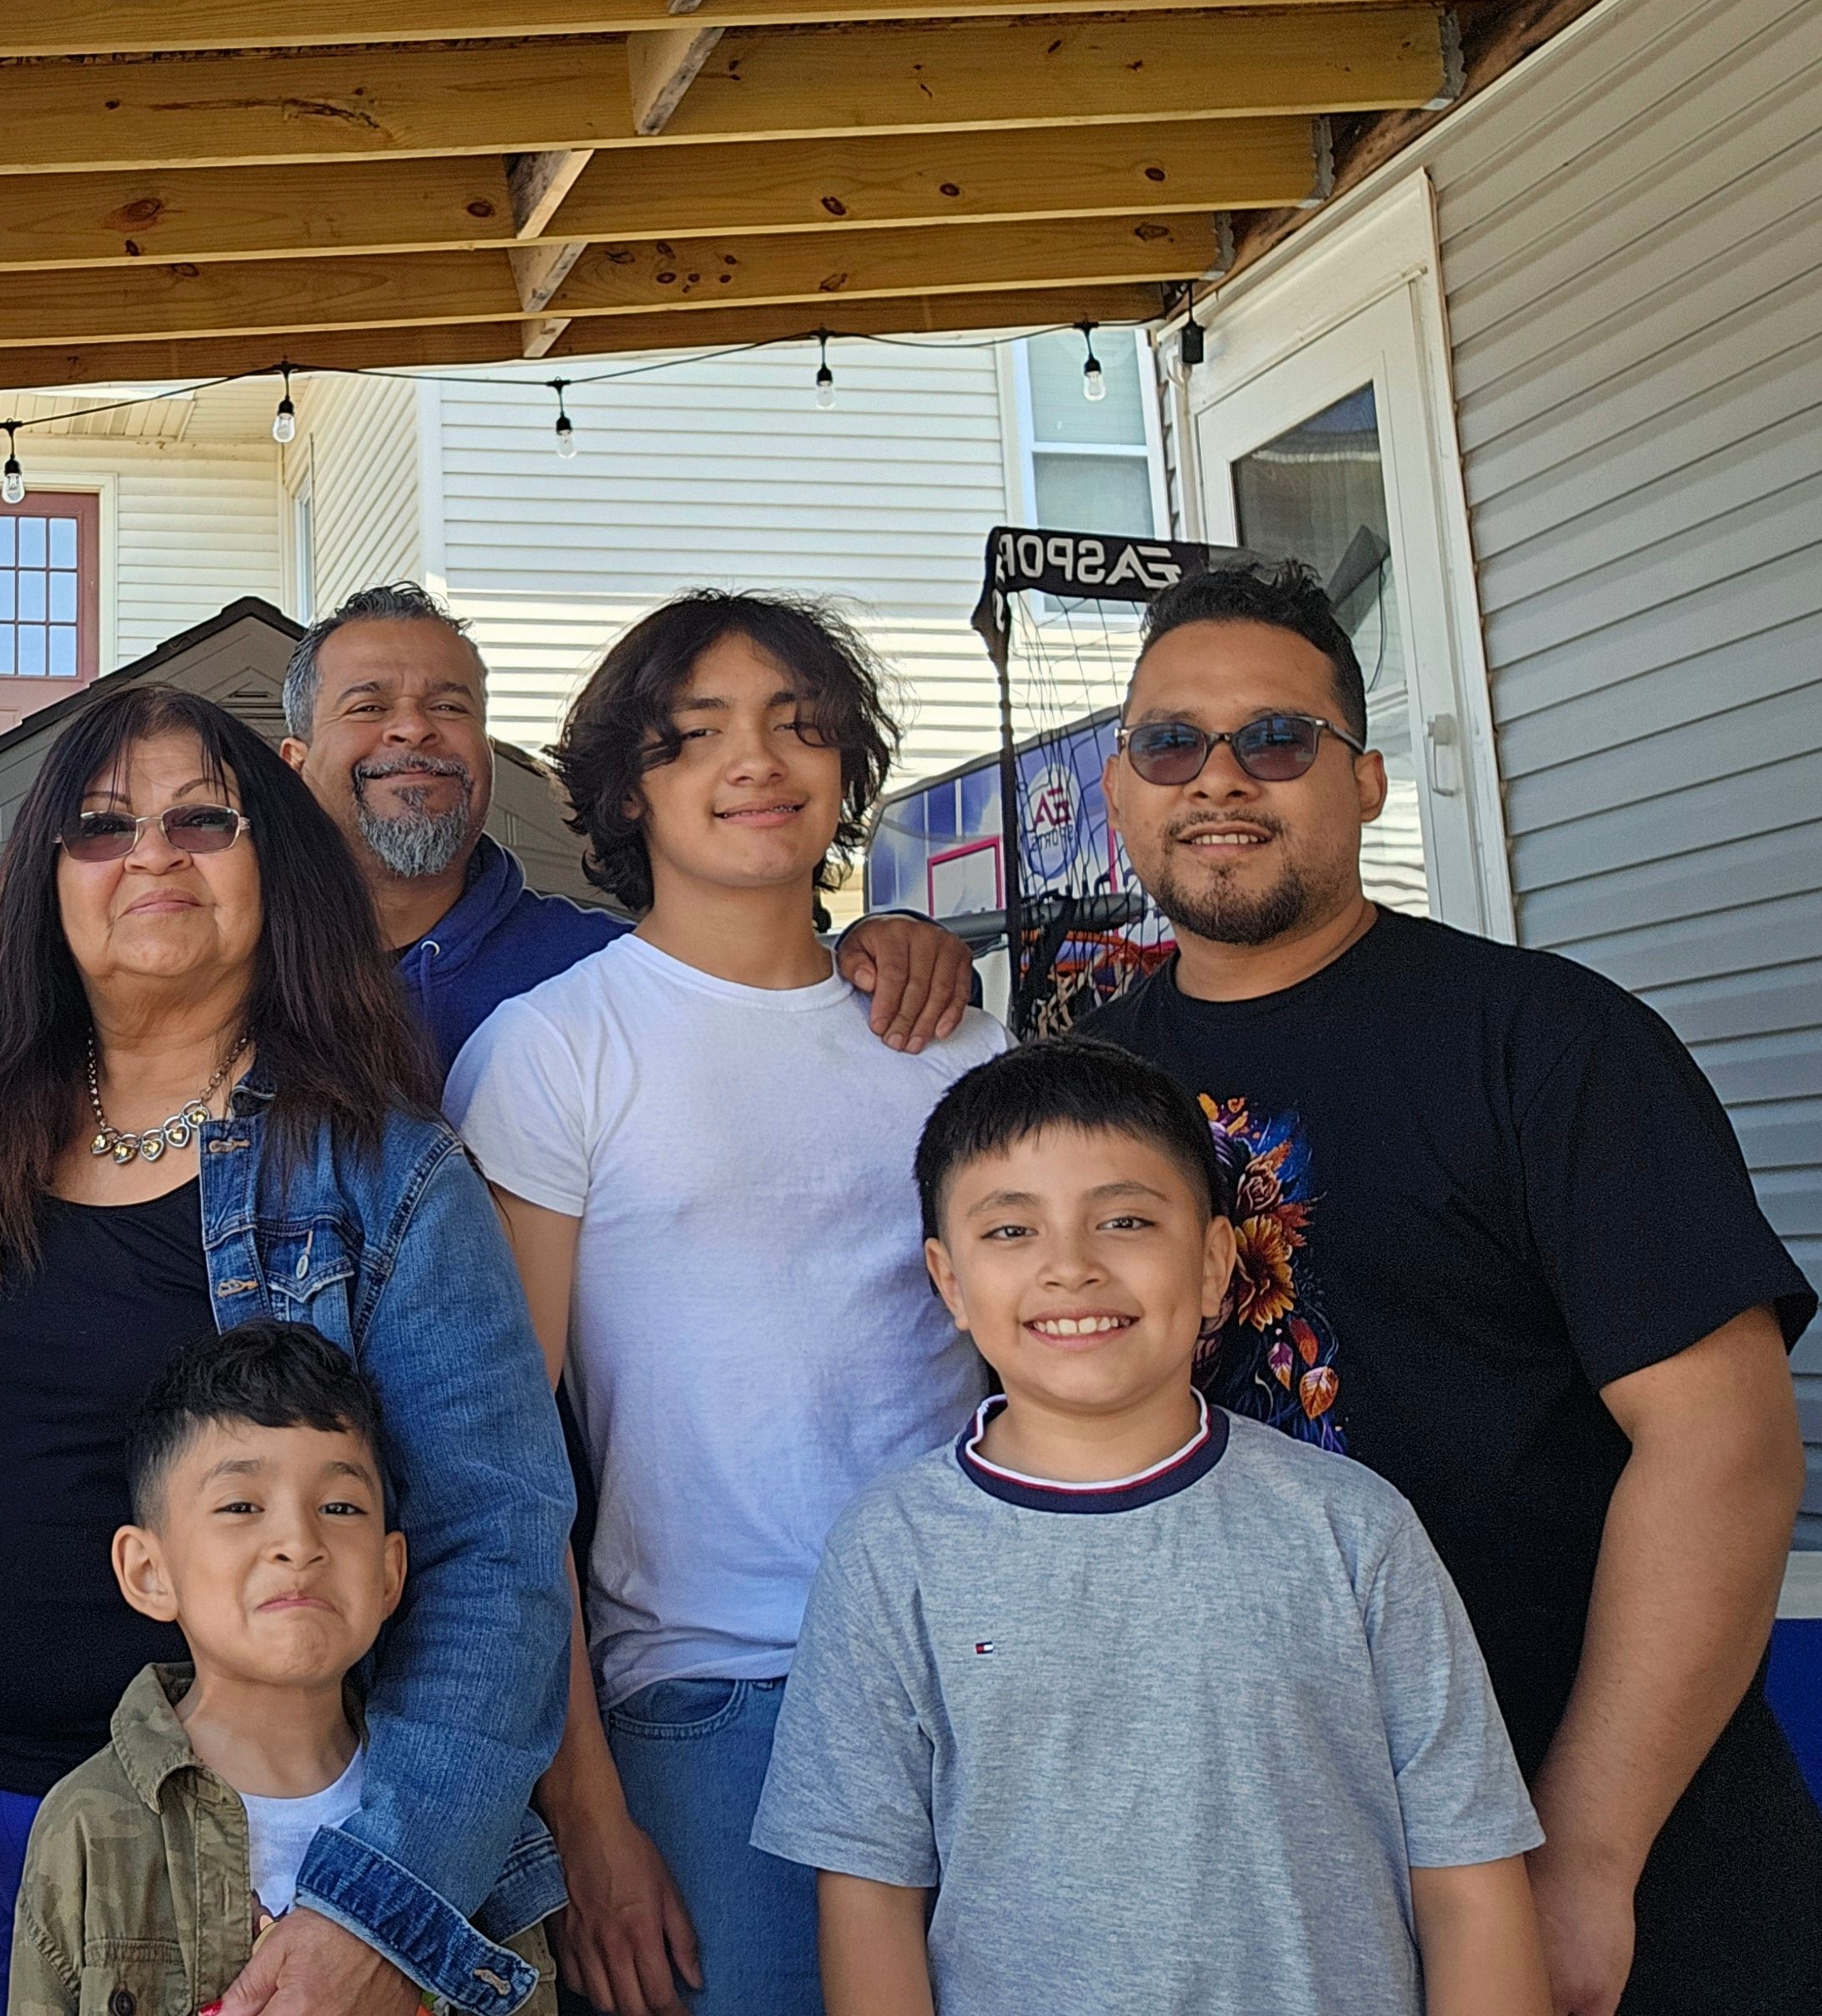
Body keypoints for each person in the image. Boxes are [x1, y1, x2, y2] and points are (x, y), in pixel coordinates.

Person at [1083, 560, 1819, 2016]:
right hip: (1250, 1865)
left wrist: (1589, 1854)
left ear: (1364, 784)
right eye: (1173, 742)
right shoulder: (1076, 1087)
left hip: (1614, 1847)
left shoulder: (1547, 1044)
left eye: (1278, 739)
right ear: (1122, 791)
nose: (1221, 778)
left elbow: (1722, 1449)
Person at [0, 683, 575, 2016]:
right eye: (103, 823)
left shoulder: (387, 1174)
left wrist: (382, 1904)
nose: (153, 853)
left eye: (204, 819)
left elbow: (498, 1557)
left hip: (295, 1855)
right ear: (46, 879)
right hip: (3, 1824)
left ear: (274, 870)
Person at [448, 593, 1007, 2016]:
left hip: (996, 1672)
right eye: (695, 737)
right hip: (712, 1702)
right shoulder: (556, 1051)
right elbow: (501, 1470)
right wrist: (586, 1819)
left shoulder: (959, 1047)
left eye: (796, 725)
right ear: (630, 788)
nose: (754, 762)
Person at [753, 1036, 1550, 2015]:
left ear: (1217, 1264)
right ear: (948, 1281)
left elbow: (1470, 1883)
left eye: (1124, 1219)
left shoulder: (1353, 1527)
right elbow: (870, 1904)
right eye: (1010, 1232)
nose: (1071, 1269)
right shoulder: (888, 1555)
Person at [9, 1322, 557, 2016]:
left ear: (392, 1573)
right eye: (242, 1506)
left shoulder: (474, 1831)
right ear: (148, 1571)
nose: (299, 1542)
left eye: (340, 1507)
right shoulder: (88, 1826)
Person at [274, 583, 972, 1069]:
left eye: (450, 706)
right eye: (367, 707)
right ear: (294, 766)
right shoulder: (230, 968)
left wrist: (889, 946)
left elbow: (768, 1001)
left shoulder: (598, 971)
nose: (413, 728)